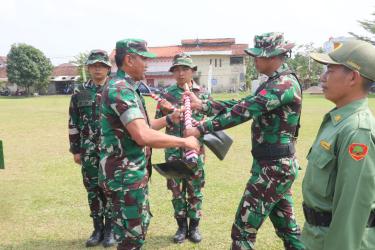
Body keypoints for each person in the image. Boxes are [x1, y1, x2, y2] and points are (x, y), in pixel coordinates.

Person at [185, 32, 305, 249]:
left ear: (272, 56)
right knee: (289, 231)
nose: (254, 60)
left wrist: (201, 128)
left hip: (273, 169)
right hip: (275, 166)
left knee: (242, 234)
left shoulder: (283, 85)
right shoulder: (275, 81)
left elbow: (245, 110)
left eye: (257, 56)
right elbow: (244, 102)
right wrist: (204, 106)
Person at [99, 39, 200, 250]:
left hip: (132, 175)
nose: (147, 64)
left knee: (136, 232)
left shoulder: (129, 88)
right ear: (129, 59)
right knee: (131, 240)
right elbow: (142, 135)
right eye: (144, 59)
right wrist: (184, 141)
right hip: (124, 177)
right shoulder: (120, 90)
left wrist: (170, 119)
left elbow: (145, 125)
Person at [301, 39, 375, 250]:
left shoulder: (358, 130)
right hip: (316, 236)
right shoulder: (338, 121)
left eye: (330, 70)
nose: (322, 77)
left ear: (353, 77)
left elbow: (352, 208)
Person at [155, 53, 208, 243]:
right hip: (173, 151)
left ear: (192, 71)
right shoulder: (166, 96)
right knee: (176, 191)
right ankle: (181, 227)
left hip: (195, 151)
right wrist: (170, 115)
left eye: (185, 69)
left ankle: (194, 228)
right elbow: (156, 124)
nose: (180, 73)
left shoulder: (202, 94)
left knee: (195, 190)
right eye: (176, 69)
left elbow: (209, 125)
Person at [68, 49, 116, 247]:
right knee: (93, 190)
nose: (98, 69)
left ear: (108, 69)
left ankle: (111, 230)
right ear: (88, 68)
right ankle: (97, 229)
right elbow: (73, 122)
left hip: (112, 151)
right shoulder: (79, 93)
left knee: (111, 189)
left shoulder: (115, 90)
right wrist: (76, 150)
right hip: (88, 152)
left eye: (101, 66)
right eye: (94, 66)